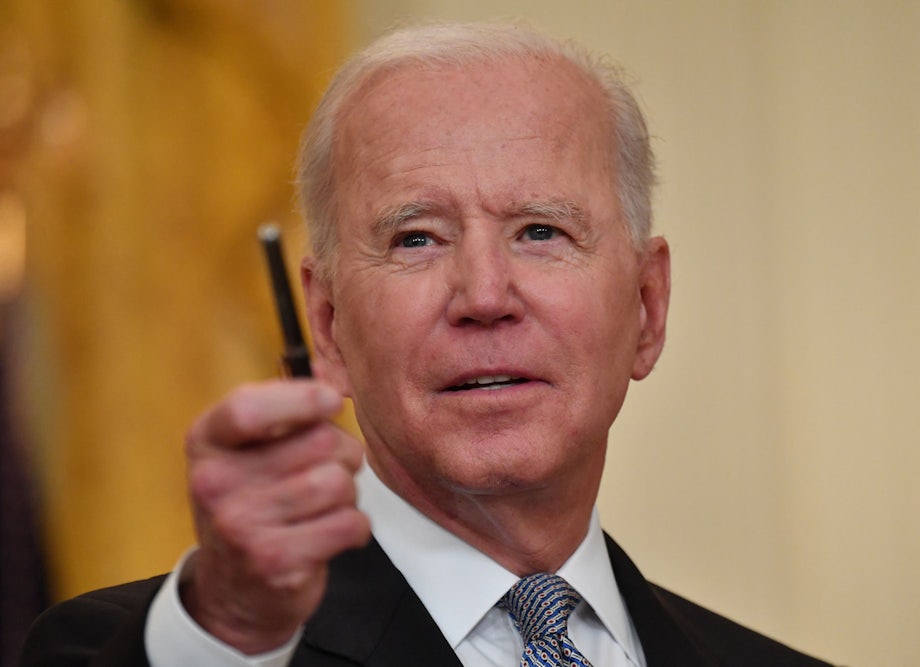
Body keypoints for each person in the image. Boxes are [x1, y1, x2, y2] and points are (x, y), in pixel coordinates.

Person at [21, 22, 834, 666]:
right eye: (416, 238)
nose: (484, 296)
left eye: (540, 231)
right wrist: (231, 628)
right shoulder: (172, 648)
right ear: (327, 327)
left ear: (648, 309)